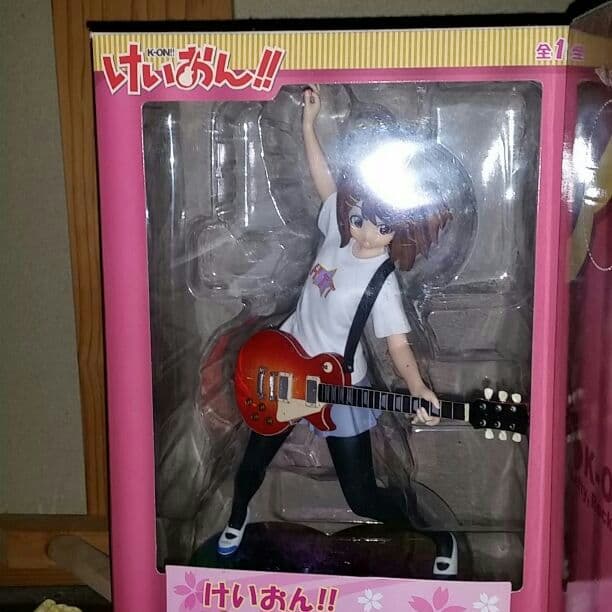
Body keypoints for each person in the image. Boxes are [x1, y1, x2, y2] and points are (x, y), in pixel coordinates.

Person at [217, 84, 458, 576]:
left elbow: (397, 344)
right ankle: (237, 519)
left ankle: (436, 536)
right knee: (252, 460)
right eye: (361, 217)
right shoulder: (337, 231)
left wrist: (417, 388)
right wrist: (309, 125)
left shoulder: (382, 282)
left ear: (403, 230)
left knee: (363, 495)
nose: (366, 232)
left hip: (340, 386)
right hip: (281, 365)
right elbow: (324, 182)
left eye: (383, 226)